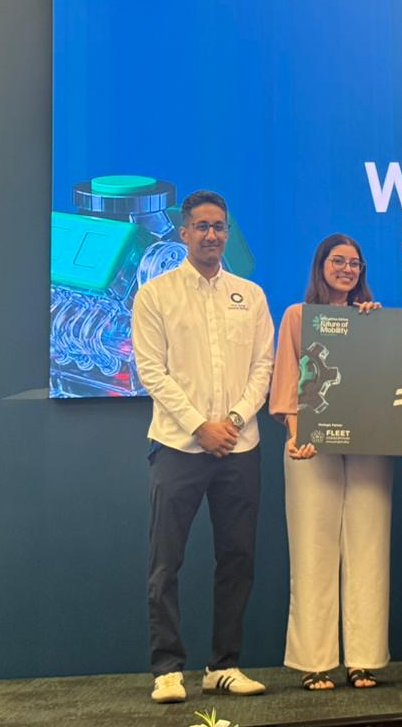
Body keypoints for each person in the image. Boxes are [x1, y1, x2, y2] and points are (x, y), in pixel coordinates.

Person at [132, 190, 275, 704]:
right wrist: (200, 426)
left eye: (219, 227)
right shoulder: (156, 294)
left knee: (237, 559)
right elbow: (151, 371)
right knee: (165, 562)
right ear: (184, 232)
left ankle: (224, 666)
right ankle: (167, 670)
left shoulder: (250, 295)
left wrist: (232, 421)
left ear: (226, 233)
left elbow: (264, 366)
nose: (211, 235)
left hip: (240, 446)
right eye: (202, 226)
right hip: (177, 446)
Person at [268, 234, 391, 691]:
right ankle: (314, 661)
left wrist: (374, 328)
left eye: (355, 263)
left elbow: (387, 382)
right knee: (312, 551)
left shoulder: (372, 319)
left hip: (368, 447)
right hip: (309, 446)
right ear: (321, 265)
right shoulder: (298, 316)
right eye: (338, 261)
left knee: (369, 548)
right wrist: (296, 436)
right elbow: (286, 381)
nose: (347, 269)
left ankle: (364, 659)